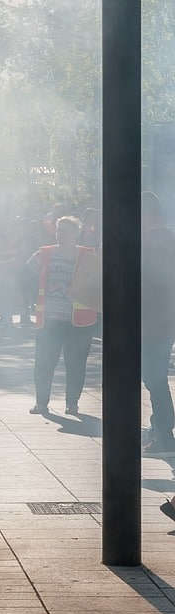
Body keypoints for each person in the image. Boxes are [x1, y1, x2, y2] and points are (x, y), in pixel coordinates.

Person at [25, 215, 96, 415]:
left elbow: (100, 284)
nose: (61, 234)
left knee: (75, 365)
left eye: (65, 230)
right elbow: (26, 274)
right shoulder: (44, 254)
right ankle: (41, 403)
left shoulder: (88, 256)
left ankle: (72, 403)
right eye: (58, 230)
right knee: (44, 363)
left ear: (76, 233)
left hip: (79, 322)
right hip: (50, 321)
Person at [141, 192, 175, 455]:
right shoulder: (168, 238)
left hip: (153, 321)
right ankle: (159, 430)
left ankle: (163, 434)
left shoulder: (153, 242)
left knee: (154, 378)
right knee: (155, 377)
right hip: (163, 320)